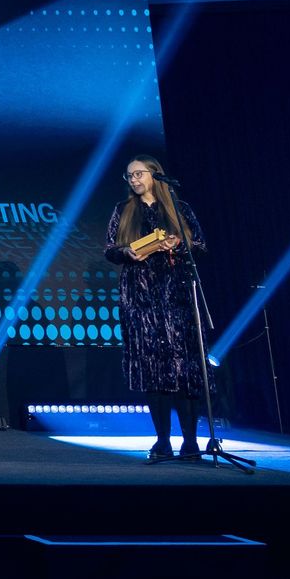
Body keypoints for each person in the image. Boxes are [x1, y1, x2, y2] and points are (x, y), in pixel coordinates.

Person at [104, 154, 208, 463]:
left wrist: (178, 244)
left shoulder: (178, 207)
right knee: (153, 370)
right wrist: (128, 252)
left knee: (184, 369)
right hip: (141, 300)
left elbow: (201, 246)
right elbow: (110, 249)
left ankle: (191, 442)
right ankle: (162, 441)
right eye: (129, 175)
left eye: (138, 173)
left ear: (154, 175)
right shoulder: (123, 210)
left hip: (177, 298)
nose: (134, 179)